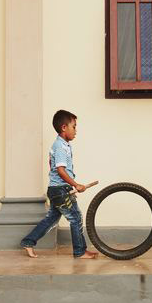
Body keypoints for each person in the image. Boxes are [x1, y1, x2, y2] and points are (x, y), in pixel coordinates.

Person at [20, 109, 99, 259]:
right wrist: (76, 184)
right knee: (76, 218)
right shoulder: (60, 147)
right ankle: (80, 251)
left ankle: (28, 241)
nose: (76, 131)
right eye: (74, 127)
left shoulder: (63, 145)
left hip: (57, 189)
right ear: (64, 128)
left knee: (51, 219)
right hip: (60, 190)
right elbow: (61, 171)